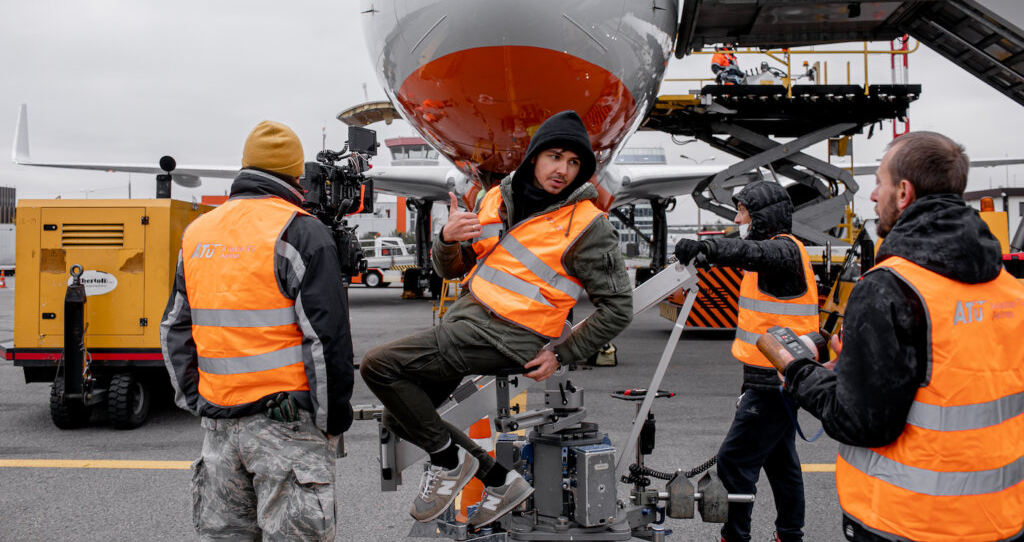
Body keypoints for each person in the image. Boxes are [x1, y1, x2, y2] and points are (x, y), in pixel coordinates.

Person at [360, 110, 632, 529]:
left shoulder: (588, 225)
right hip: (466, 324)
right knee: (401, 415)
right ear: (535, 157)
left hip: (511, 336)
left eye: (574, 163)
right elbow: (451, 270)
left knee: (380, 365)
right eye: (555, 156)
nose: (563, 170)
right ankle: (500, 479)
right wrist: (446, 239)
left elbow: (619, 307)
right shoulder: (495, 200)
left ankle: (451, 463)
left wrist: (565, 352)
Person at [778, 132, 1024, 542]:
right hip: (1000, 518)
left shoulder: (888, 288)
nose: (873, 195)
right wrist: (862, 367)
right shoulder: (1009, 288)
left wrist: (799, 371)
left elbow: (861, 423)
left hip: (907, 521)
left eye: (879, 182)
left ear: (904, 192)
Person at [161, 120, 354, 541]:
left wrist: (197, 400)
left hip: (218, 427)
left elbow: (175, 326)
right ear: (297, 177)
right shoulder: (300, 232)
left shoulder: (198, 234)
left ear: (243, 167)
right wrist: (332, 417)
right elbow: (326, 338)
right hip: (285, 425)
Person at [674, 180, 818, 542]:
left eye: (742, 212)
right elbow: (746, 252)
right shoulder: (779, 251)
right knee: (781, 464)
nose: (738, 219)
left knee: (734, 462)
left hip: (775, 382)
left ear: (762, 217)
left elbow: (749, 253)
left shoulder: (783, 252)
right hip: (772, 378)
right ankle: (790, 535)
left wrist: (709, 246)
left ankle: (735, 536)